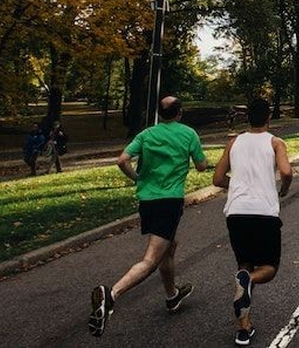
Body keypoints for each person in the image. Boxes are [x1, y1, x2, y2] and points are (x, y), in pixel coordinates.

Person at [88, 96, 209, 338]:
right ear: (180, 113)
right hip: (169, 202)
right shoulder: (188, 134)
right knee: (151, 259)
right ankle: (111, 295)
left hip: (147, 201)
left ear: (159, 113)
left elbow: (122, 160)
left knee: (169, 247)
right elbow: (202, 166)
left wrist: (138, 178)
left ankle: (172, 296)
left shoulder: (146, 134)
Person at [213, 98, 294, 346]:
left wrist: (236, 185)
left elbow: (217, 179)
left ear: (247, 118)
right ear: (269, 118)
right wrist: (284, 189)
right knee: (268, 268)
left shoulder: (233, 142)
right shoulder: (275, 142)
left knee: (244, 266)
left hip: (236, 212)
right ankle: (250, 283)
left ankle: (243, 328)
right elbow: (287, 172)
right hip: (264, 212)